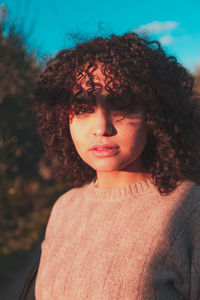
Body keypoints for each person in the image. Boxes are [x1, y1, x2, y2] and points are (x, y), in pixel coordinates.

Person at [33, 32, 200, 299]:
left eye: (122, 106)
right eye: (84, 108)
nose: (102, 128)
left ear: (154, 116)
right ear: (65, 119)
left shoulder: (189, 209)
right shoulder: (64, 207)